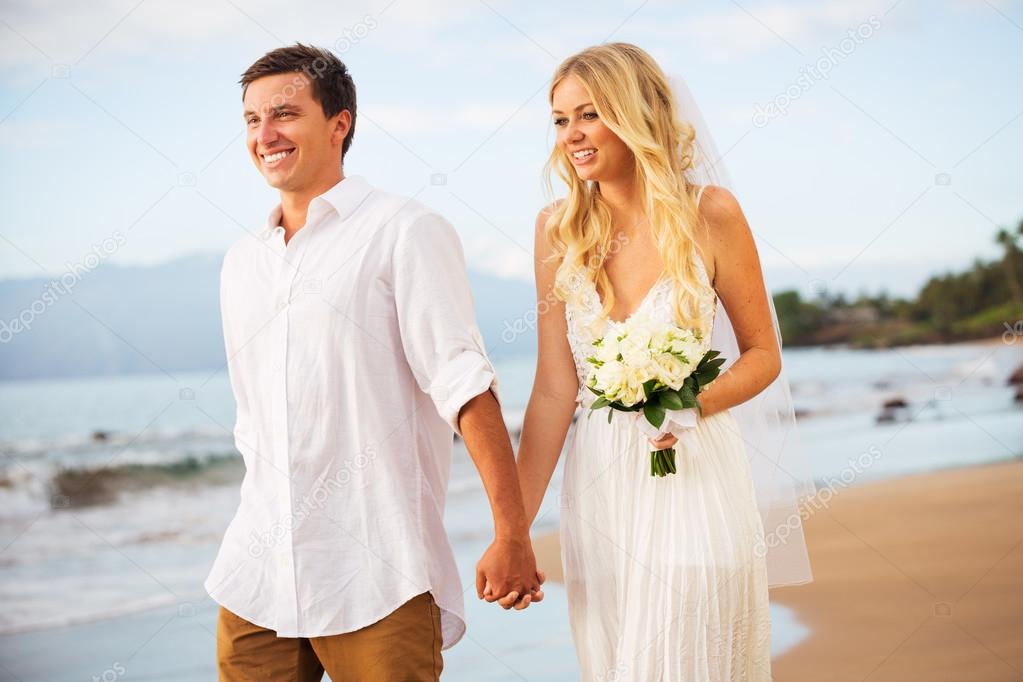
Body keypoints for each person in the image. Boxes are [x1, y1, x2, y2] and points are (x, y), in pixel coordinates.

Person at [204, 43, 542, 681]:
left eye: (284, 114)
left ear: (340, 123)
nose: (265, 134)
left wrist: (512, 534)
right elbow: (253, 416)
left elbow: (463, 384)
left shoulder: (404, 231)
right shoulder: (242, 262)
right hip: (258, 571)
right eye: (251, 120)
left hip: (377, 568)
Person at [516, 42, 802, 680]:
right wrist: (514, 528)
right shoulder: (555, 230)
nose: (572, 135)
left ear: (634, 113)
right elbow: (553, 392)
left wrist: (689, 407)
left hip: (696, 473)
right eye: (560, 119)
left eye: (589, 114)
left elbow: (762, 355)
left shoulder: (711, 213)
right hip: (600, 489)